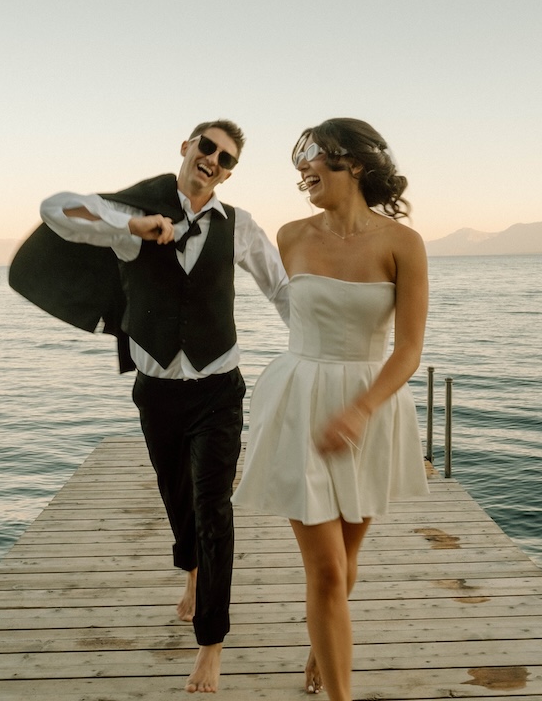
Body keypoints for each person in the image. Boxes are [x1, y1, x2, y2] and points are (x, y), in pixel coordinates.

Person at [31, 120, 289, 693]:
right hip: (157, 393)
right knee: (177, 496)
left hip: (220, 388)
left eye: (226, 158)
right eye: (207, 147)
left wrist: (321, 352)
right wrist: (131, 223)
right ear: (187, 147)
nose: (214, 161)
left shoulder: (239, 226)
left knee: (214, 507)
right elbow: (55, 209)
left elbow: (281, 288)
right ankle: (191, 574)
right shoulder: (133, 222)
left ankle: (211, 642)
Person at [232, 118, 429, 701]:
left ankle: (322, 644)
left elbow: (410, 350)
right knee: (323, 568)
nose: (302, 166)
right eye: (299, 157)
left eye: (314, 153)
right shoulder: (291, 235)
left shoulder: (403, 244)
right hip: (300, 401)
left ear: (356, 164)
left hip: (371, 407)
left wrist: (363, 410)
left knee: (345, 561)